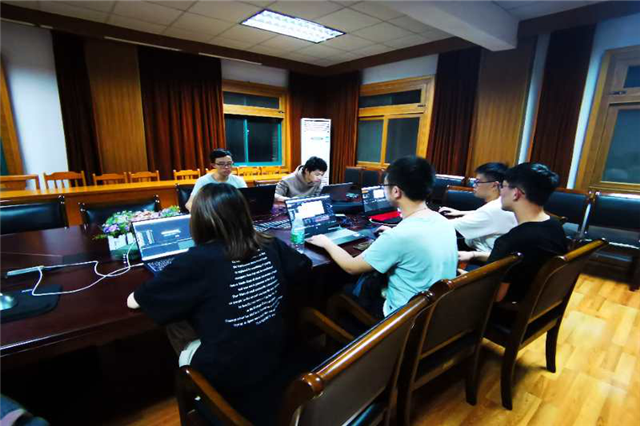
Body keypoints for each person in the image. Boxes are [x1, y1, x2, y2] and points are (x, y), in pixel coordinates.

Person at [127, 183, 311, 421]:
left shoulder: (197, 260)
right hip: (274, 346)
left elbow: (135, 301)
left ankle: (190, 378)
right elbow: (303, 266)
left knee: (174, 316)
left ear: (199, 221)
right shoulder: (269, 242)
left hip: (229, 370)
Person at [307, 156, 458, 318]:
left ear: (396, 191)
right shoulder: (443, 222)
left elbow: (351, 267)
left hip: (402, 320)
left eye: (385, 186)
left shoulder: (398, 236)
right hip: (437, 313)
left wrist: (326, 242)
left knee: (340, 293)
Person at [481, 163, 569, 303]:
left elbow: (493, 296)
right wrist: (474, 255)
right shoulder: (555, 225)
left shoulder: (511, 241)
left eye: (503, 186)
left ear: (516, 193)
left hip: (507, 309)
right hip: (539, 303)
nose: (500, 192)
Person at [441, 163, 518, 259]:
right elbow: (487, 215)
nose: (474, 185)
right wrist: (461, 212)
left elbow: (446, 225)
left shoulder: (491, 210)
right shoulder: (499, 204)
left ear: (494, 185)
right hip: (483, 250)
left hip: (487, 261)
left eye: (477, 181)